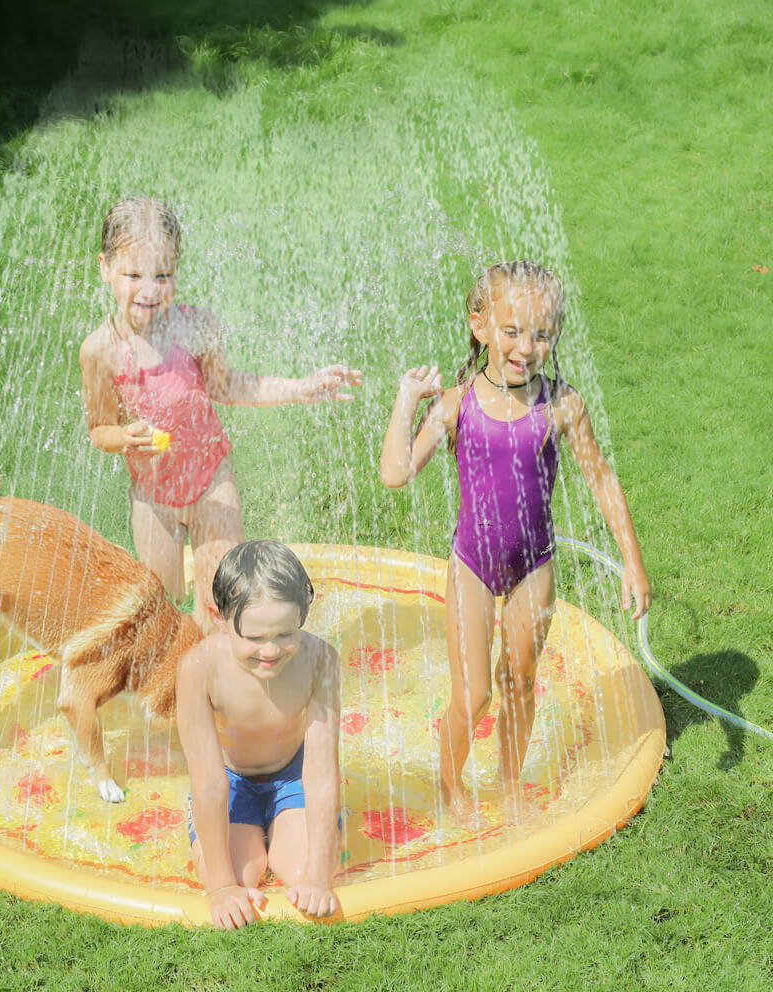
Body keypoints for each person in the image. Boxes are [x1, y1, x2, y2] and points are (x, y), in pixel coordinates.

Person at [379, 260, 651, 825]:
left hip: (535, 566)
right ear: (481, 326)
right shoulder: (456, 405)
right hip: (473, 565)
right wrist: (407, 401)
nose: (526, 346)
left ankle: (508, 787)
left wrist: (632, 560)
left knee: (520, 682)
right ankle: (451, 787)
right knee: (476, 693)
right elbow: (396, 474)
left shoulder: (561, 406)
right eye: (512, 331)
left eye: (542, 334)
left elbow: (601, 478)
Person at [80, 197, 362, 628]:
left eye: (163, 274)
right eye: (132, 274)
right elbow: (100, 429)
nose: (150, 289)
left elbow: (227, 386)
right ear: (105, 267)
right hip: (152, 494)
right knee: (162, 605)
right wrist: (124, 438)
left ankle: (220, 688)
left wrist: (300, 388)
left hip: (211, 481)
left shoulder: (196, 328)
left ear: (178, 268)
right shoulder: (100, 351)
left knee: (220, 604)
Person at [175, 540, 341, 929]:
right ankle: (252, 839)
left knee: (302, 875)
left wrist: (319, 874)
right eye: (253, 638)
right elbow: (208, 780)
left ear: (303, 613)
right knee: (237, 876)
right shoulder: (199, 669)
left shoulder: (320, 661)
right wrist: (220, 888)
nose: (271, 651)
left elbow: (319, 771)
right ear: (218, 616)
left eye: (286, 633)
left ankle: (288, 831)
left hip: (293, 774)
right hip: (231, 781)